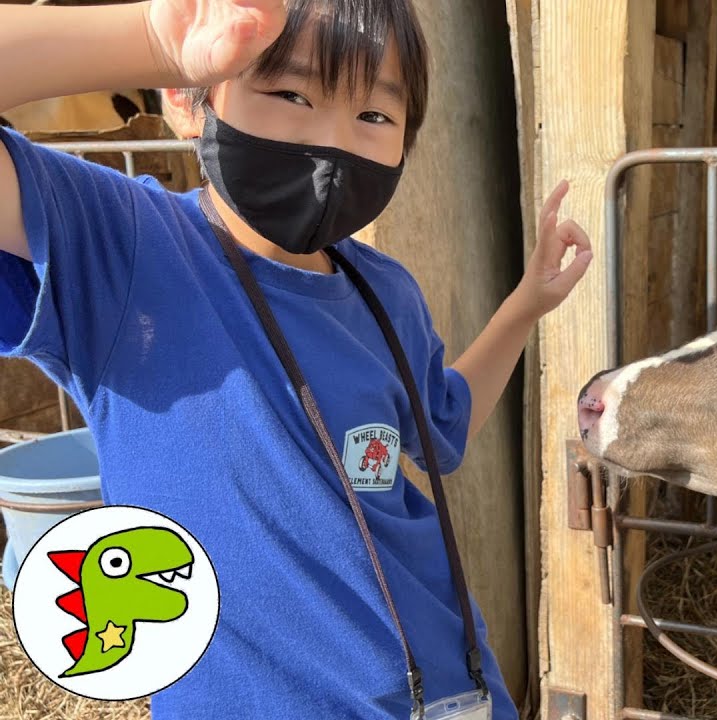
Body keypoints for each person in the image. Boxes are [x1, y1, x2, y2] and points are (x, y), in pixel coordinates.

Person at [0, 1, 592, 717]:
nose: (330, 143)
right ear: (189, 100)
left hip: (453, 683)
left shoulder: (386, 290)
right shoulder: (124, 248)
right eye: (291, 94)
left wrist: (528, 302)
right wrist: (157, 36)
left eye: (374, 116)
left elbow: (445, 429)